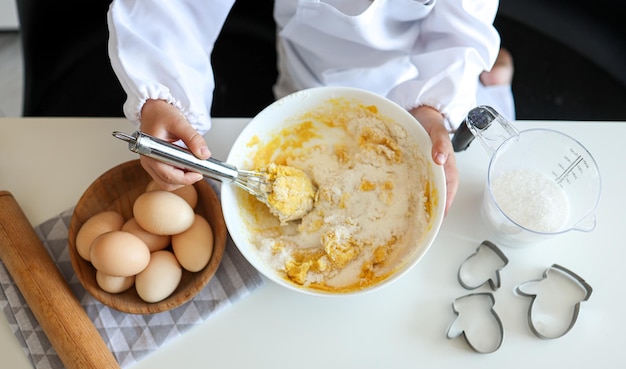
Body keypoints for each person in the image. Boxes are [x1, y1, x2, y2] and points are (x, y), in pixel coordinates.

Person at [107, 0, 515, 215]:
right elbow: (174, 6)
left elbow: (460, 26)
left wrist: (434, 104)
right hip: (311, 72)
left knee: (488, 103)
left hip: (419, 78)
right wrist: (161, 92)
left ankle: (497, 70)